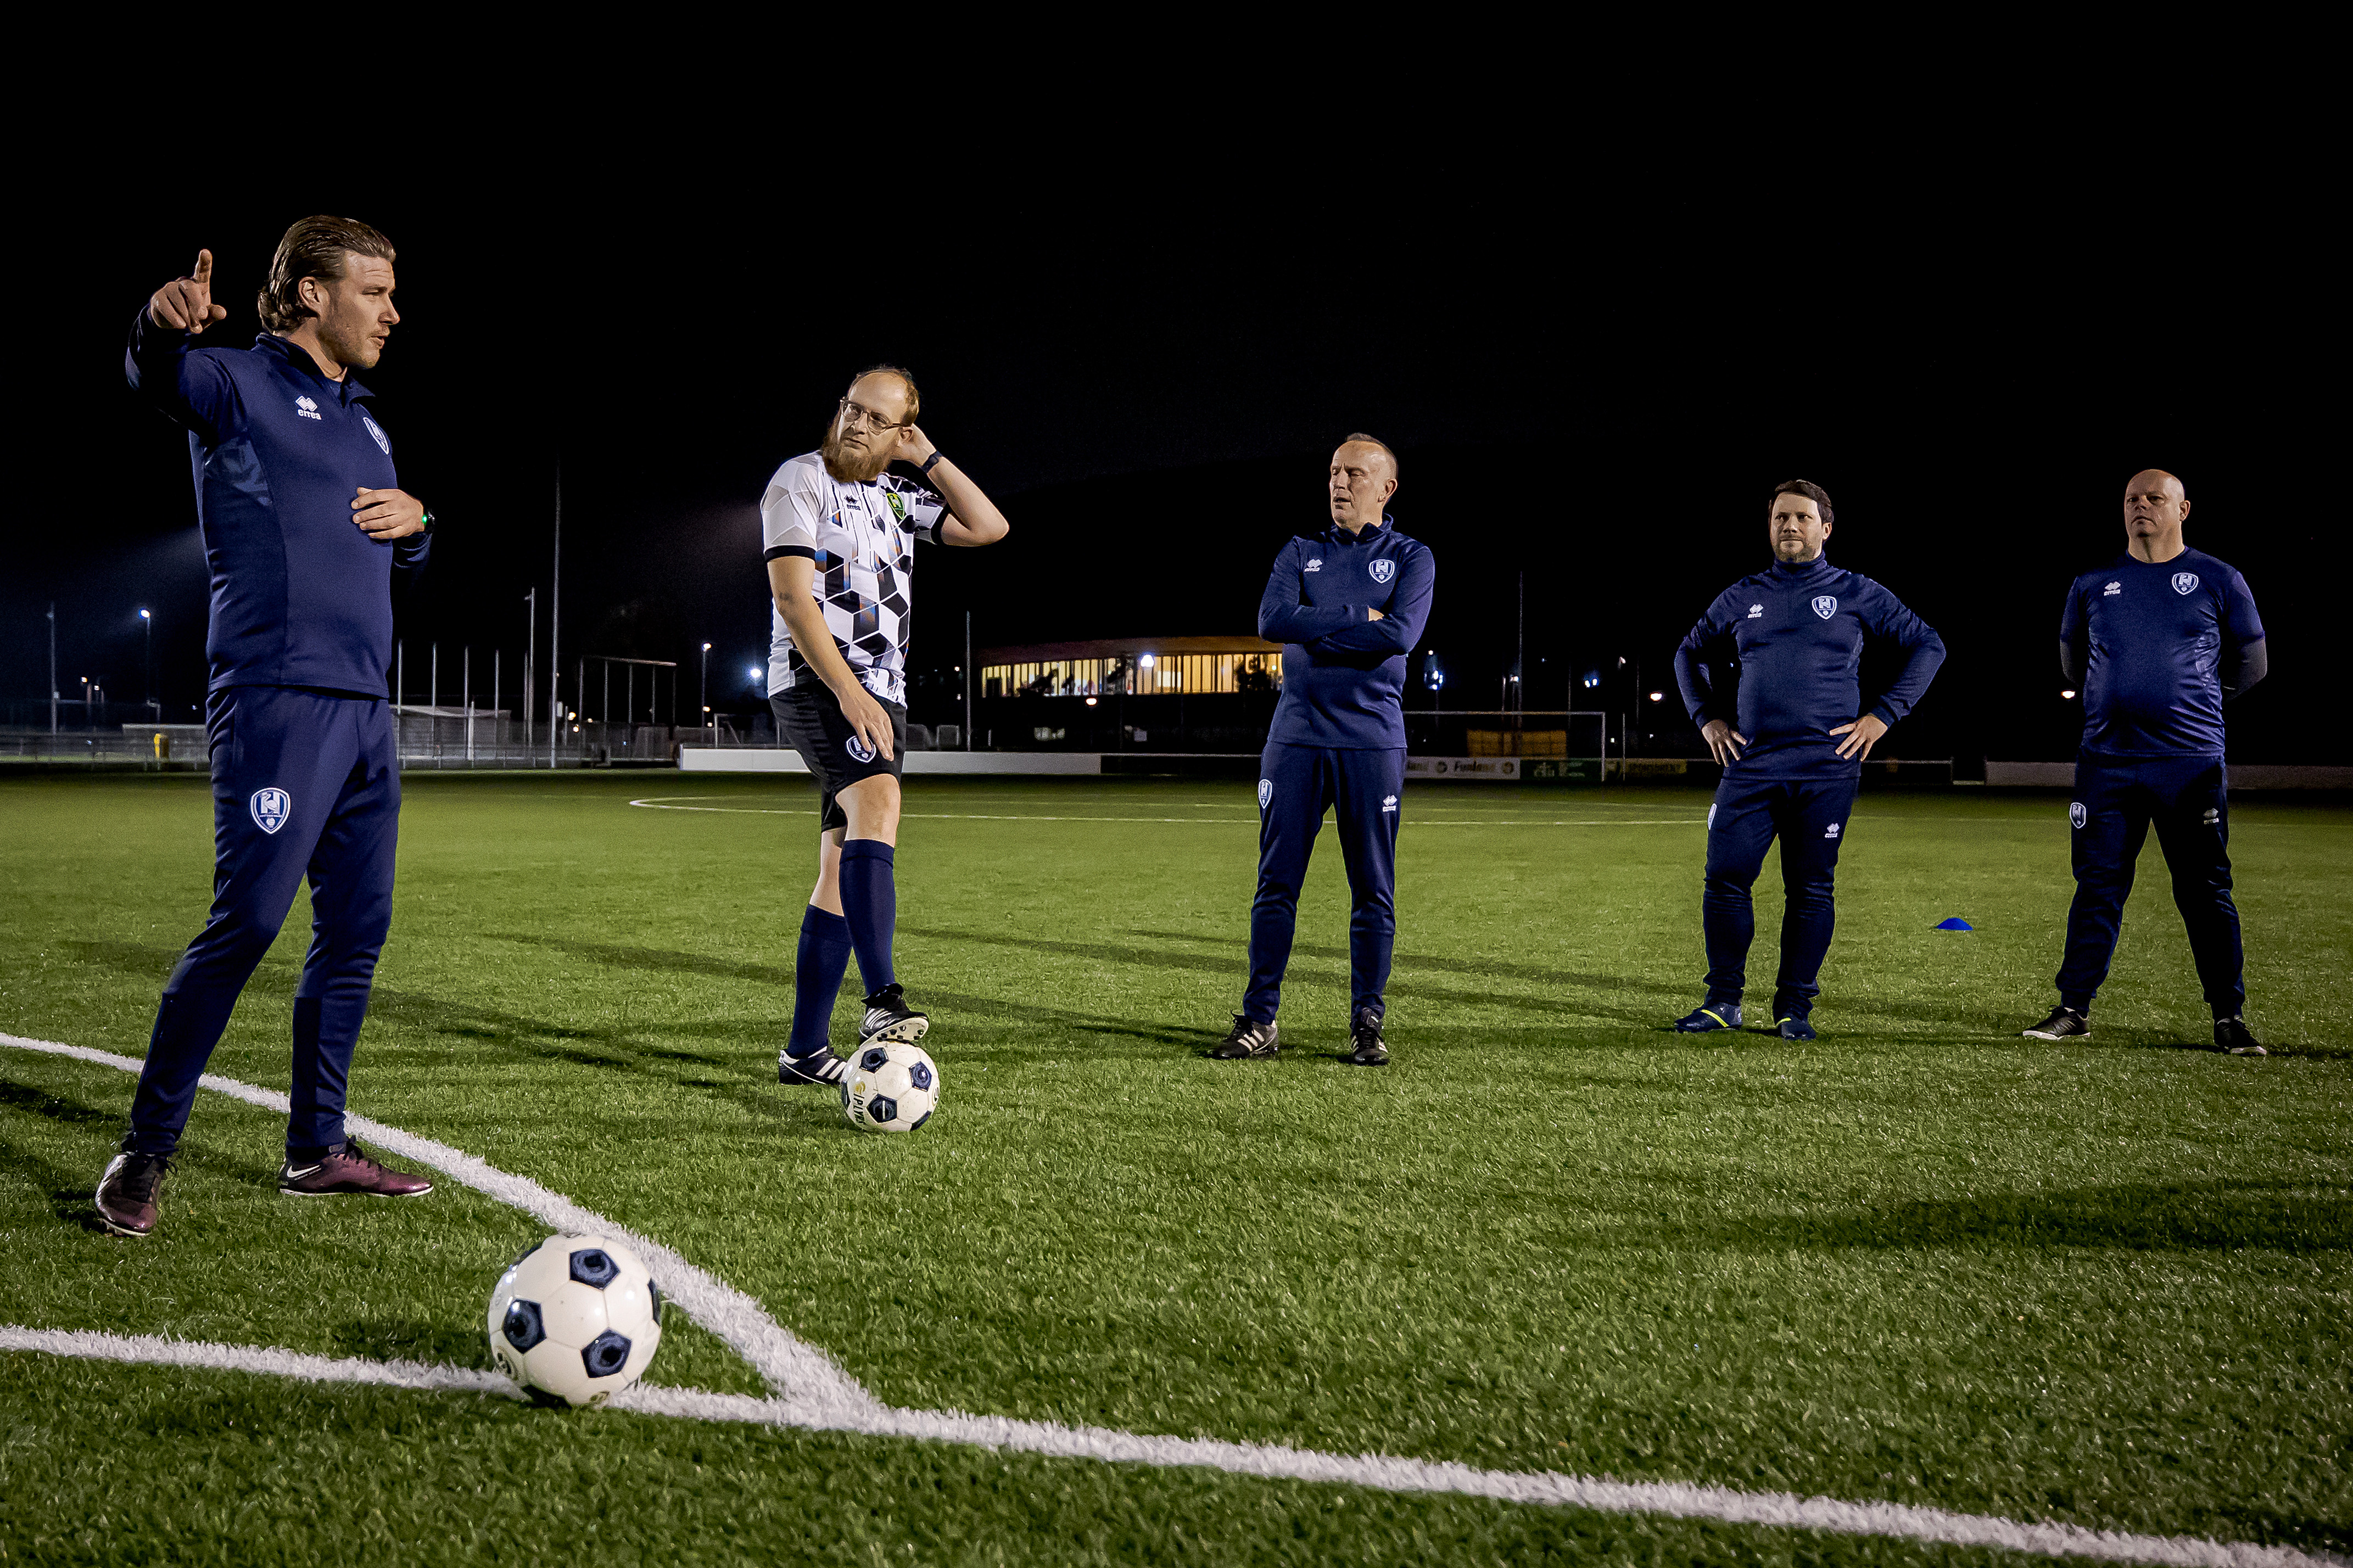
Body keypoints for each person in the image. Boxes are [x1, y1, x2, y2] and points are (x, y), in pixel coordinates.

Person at [97, 219, 438, 1238]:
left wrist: (422, 524)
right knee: (245, 924)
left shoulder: (368, 422)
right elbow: (160, 377)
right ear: (308, 296)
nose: (392, 311)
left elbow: (400, 552)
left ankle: (315, 1149)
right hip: (277, 703)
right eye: (374, 291)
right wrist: (160, 326)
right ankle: (146, 1150)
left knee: (355, 936)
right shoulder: (234, 383)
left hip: (367, 712)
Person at [765, 368, 1010, 1087]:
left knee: (839, 874)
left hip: (883, 693)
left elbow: (989, 526)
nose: (856, 425)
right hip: (819, 681)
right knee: (879, 800)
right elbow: (791, 596)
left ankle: (805, 1052)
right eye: (850, 409)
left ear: (899, 431)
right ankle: (881, 1000)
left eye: (877, 419)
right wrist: (847, 691)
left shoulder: (898, 497)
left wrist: (925, 456)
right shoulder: (799, 481)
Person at [1670, 480, 1944, 1040]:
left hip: (1826, 768)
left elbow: (1928, 645)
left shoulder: (1855, 591)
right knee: (1724, 880)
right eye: (1779, 518)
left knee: (1811, 887)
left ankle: (1793, 1008)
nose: (1789, 527)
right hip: (1750, 765)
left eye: (1801, 517)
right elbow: (1687, 653)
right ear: (1768, 527)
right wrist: (1707, 718)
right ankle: (1724, 1000)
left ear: (1826, 528)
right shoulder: (1743, 594)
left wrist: (1883, 715)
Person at [2020, 470, 2268, 1053]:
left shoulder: (2218, 579)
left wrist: (2194, 701)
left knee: (2205, 890)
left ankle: (2228, 1017)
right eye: (2132, 500)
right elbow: (2072, 664)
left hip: (2188, 764)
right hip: (2105, 764)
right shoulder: (2092, 582)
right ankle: (2073, 1008)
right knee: (2097, 887)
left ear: (2183, 508)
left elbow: (2252, 665)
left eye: (2155, 499)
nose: (2142, 507)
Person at [1214, 435, 1435, 1067]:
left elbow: (1400, 636)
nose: (1340, 483)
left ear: (1385, 488)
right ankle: (1260, 1019)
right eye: (1334, 472)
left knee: (1372, 890)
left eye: (1354, 474)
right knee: (1275, 886)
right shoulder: (1299, 550)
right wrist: (1356, 618)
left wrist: (1320, 627)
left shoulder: (1412, 557)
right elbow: (1271, 621)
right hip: (1296, 741)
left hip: (1371, 743)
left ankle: (1368, 1022)